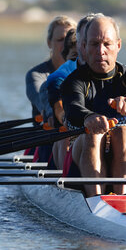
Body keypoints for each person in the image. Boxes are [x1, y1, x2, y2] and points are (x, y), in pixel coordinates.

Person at [61, 15, 126, 197]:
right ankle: (97, 201)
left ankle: (122, 201)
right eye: (94, 44)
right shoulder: (73, 82)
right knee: (94, 134)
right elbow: (73, 108)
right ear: (84, 47)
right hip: (80, 163)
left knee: (123, 133)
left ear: (118, 45)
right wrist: (88, 118)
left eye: (107, 44)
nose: (101, 51)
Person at [40, 13, 100, 169]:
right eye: (92, 43)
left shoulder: (117, 71)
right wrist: (67, 116)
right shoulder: (62, 75)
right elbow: (60, 110)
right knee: (66, 129)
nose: (99, 49)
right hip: (68, 140)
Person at [25, 15, 76, 162]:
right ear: (49, 43)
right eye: (60, 40)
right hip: (46, 139)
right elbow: (42, 98)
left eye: (70, 40)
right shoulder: (36, 75)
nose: (65, 44)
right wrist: (52, 111)